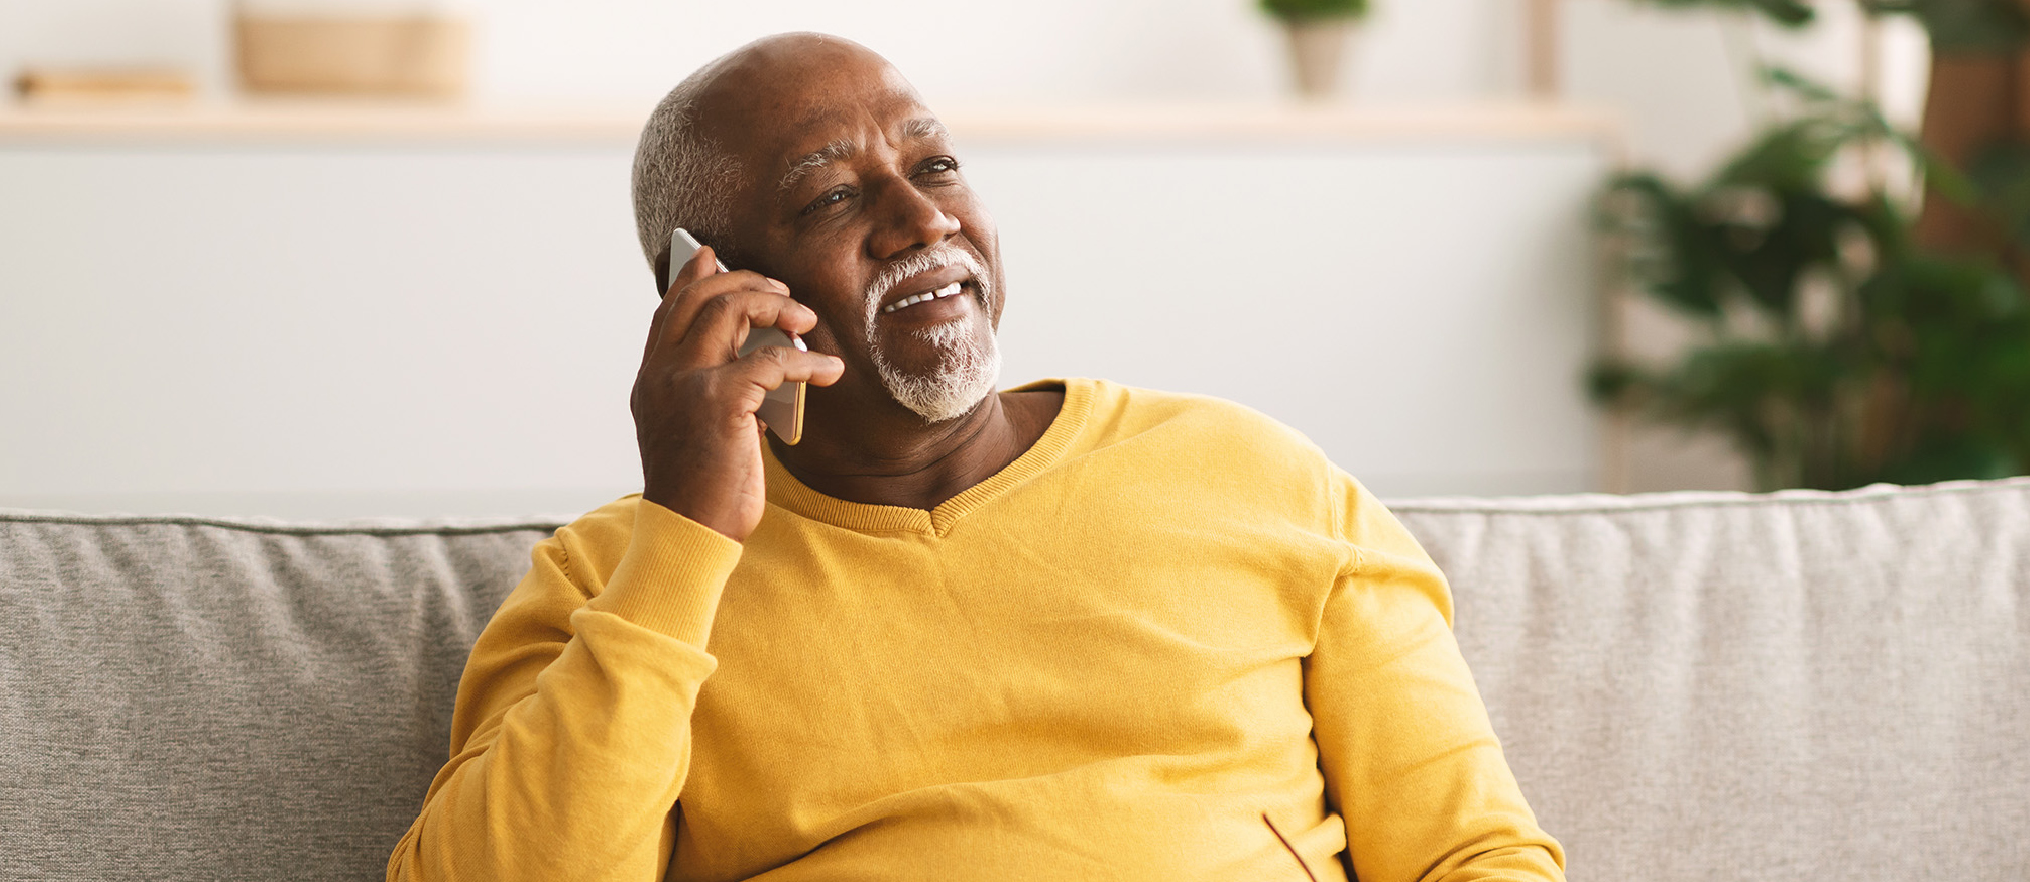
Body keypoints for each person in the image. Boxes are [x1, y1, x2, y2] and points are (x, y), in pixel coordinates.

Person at [388, 32, 1565, 882]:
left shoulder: (1259, 477)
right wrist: (688, 538)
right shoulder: (618, 584)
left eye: (936, 165)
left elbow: (1473, 853)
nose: (922, 219)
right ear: (717, 291)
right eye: (833, 196)